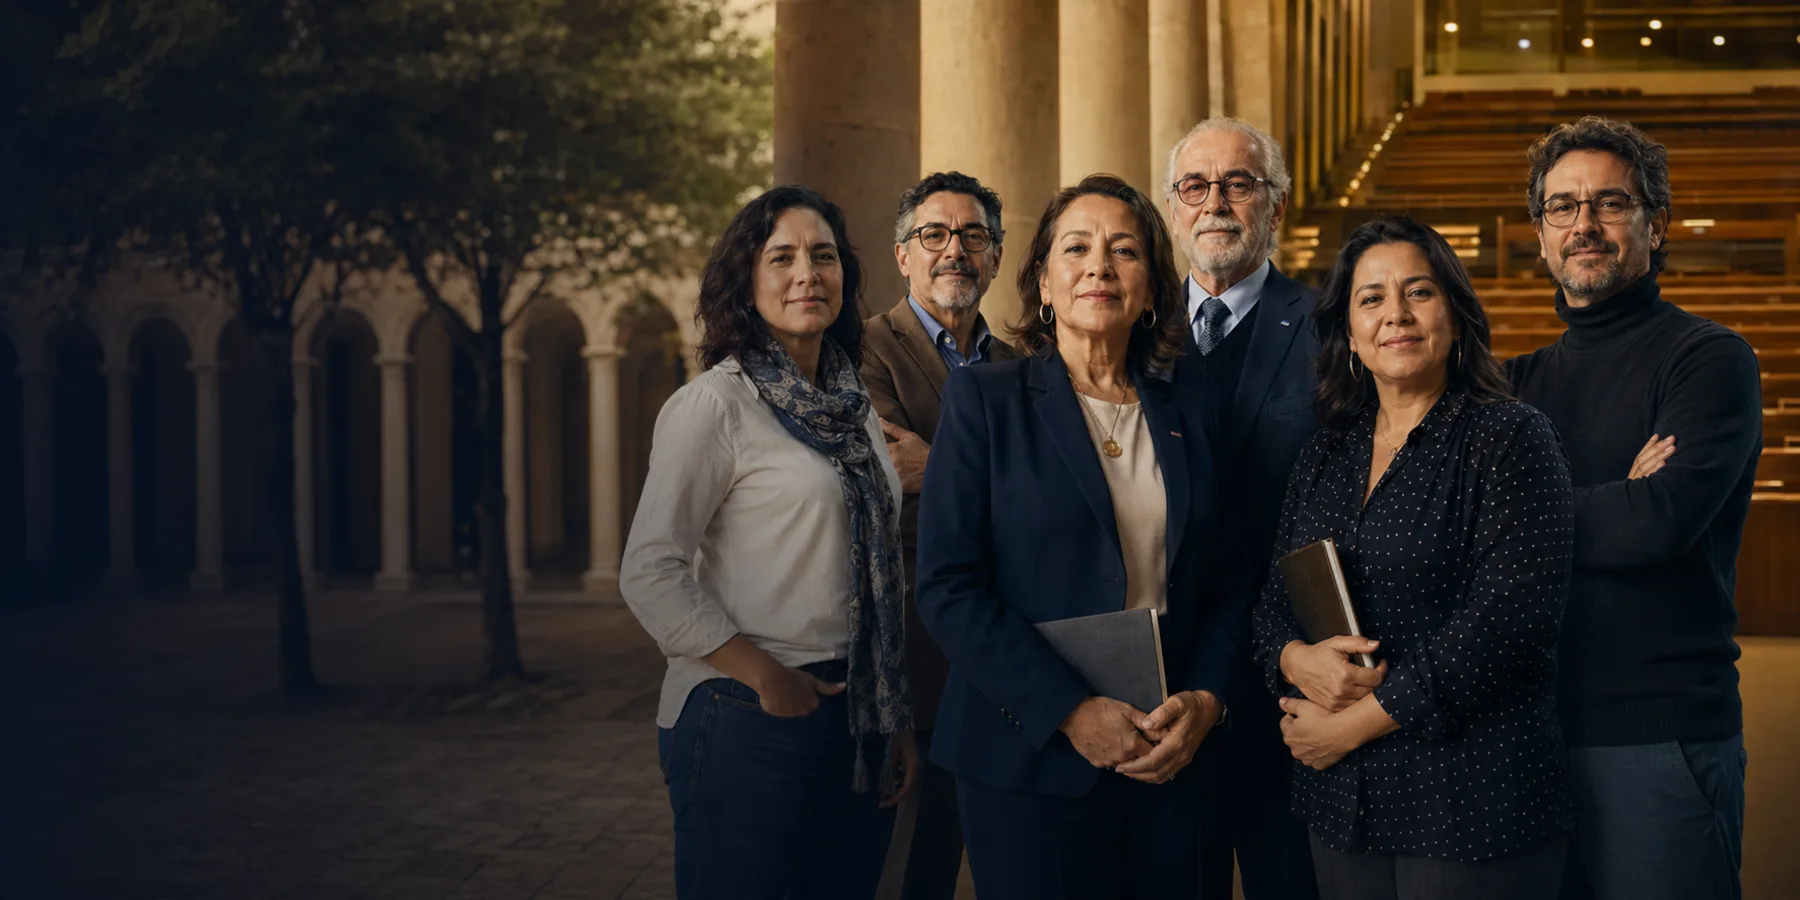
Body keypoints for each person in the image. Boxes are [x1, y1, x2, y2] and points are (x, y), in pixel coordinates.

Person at [914, 173, 1244, 899]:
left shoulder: (1191, 411)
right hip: (1029, 757)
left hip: (1171, 752)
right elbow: (948, 586)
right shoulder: (985, 401)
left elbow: (1227, 581)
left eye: (1124, 250)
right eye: (1077, 248)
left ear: (1153, 287)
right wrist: (1068, 710)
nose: (1099, 265)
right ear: (1043, 282)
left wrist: (1209, 701)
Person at [1253, 217, 1575, 900]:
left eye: (1418, 292)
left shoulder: (1512, 437)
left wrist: (1351, 727)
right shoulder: (1324, 454)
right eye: (1370, 299)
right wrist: (1290, 658)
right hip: (1343, 805)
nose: (1394, 314)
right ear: (1347, 334)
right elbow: (1274, 605)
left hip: (1469, 799)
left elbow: (1510, 623)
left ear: (1456, 316)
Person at [619, 185, 919, 900]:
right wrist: (764, 675)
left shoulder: (853, 409)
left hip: (858, 712)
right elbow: (650, 571)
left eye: (822, 256)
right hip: (744, 711)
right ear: (746, 283)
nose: (805, 274)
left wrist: (891, 716)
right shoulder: (715, 406)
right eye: (780, 257)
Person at [1507, 117, 1760, 900]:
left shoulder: (1708, 358)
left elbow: (1659, 522)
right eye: (1562, 207)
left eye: (1610, 203)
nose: (1584, 224)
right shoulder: (1513, 384)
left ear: (1657, 222)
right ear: (1541, 234)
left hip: (1658, 733)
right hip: (1526, 738)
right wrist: (1615, 492)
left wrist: (1527, 519)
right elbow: (1470, 534)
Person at [1163, 117, 1322, 900]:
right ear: (1173, 208)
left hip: (1291, 681)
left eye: (1239, 183)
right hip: (1166, 679)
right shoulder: (1131, 329)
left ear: (1278, 208)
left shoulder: (1334, 330)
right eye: (1196, 185)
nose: (1215, 202)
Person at [859, 171, 1021, 900]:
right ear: (903, 255)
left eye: (973, 235)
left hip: (1010, 665)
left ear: (995, 254)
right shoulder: (863, 356)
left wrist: (943, 465)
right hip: (915, 661)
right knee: (909, 875)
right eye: (934, 234)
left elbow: (1058, 503)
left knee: (1006, 867)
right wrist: (1011, 484)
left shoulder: (1022, 367)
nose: (954, 250)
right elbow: (888, 492)